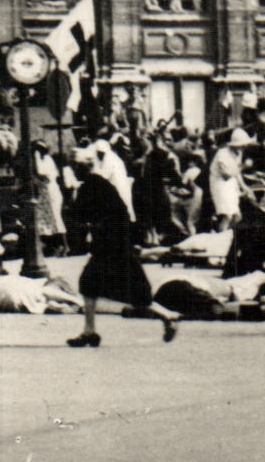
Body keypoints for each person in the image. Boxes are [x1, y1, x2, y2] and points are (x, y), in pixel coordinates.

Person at [66, 147, 181, 348]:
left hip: (110, 248)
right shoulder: (101, 185)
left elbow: (78, 216)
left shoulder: (90, 186)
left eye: (76, 166)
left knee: (96, 285)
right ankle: (89, 331)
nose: (75, 171)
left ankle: (167, 317)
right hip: (114, 246)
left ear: (84, 166)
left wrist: (93, 225)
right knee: (96, 286)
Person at [209, 128, 254, 232]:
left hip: (230, 184)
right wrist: (244, 166)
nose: (244, 146)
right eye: (243, 144)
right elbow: (226, 175)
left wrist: (244, 187)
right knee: (227, 216)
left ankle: (225, 236)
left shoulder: (238, 153)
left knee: (237, 217)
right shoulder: (222, 153)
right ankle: (222, 239)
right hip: (219, 183)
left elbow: (236, 172)